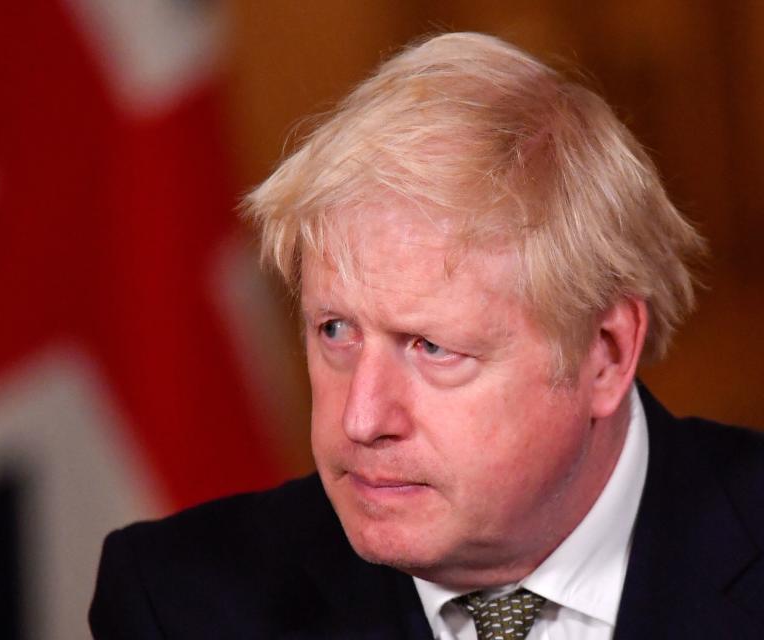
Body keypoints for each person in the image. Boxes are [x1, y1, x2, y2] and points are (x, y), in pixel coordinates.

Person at [89, 32, 764, 639]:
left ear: (607, 353)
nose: (361, 418)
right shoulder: (177, 604)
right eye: (335, 331)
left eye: (432, 348)